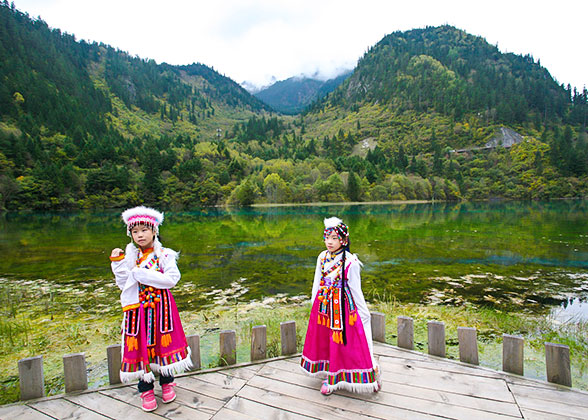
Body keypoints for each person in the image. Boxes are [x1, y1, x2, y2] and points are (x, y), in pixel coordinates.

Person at [110, 206, 192, 411]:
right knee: (139, 344)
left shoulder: (165, 255)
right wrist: (118, 264)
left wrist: (142, 274)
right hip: (137, 311)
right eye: (135, 231)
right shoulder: (130, 257)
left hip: (161, 309)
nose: (139, 235)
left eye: (144, 230)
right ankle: (145, 388)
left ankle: (167, 382)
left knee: (164, 344)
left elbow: (172, 279)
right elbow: (123, 284)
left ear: (154, 231)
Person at [300, 217, 381, 395]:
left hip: (342, 310)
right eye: (327, 237)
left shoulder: (350, 262)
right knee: (325, 341)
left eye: (334, 238)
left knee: (347, 343)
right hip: (323, 308)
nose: (329, 242)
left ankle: (355, 374)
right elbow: (317, 282)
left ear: (343, 240)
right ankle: (330, 372)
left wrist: (363, 313)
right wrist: (314, 305)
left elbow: (355, 290)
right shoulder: (322, 256)